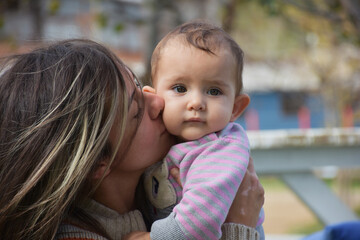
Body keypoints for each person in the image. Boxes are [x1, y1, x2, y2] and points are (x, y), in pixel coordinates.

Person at [0, 39, 264, 240]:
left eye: (140, 87)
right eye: (137, 112)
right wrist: (239, 227)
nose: (158, 101)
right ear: (96, 163)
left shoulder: (172, 176)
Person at [142, 20, 265, 240]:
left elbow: (198, 225)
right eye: (180, 88)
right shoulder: (163, 141)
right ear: (154, 100)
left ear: (235, 108)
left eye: (214, 91)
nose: (197, 102)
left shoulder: (221, 149)